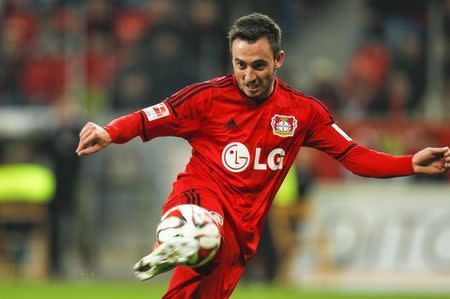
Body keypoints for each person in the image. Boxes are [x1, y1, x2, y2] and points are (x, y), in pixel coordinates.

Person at [76, 13, 450, 299]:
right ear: (232, 60)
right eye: (241, 65)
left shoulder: (303, 113)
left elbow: (353, 155)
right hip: (201, 195)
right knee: (200, 223)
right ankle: (176, 239)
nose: (249, 75)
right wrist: (109, 132)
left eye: (259, 65)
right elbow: (149, 118)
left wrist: (409, 163)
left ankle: (185, 244)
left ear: (279, 59)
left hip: (242, 236)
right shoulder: (206, 98)